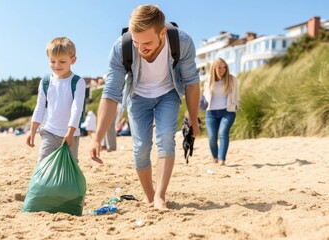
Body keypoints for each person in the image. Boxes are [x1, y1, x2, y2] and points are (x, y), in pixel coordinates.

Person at [89, 5, 201, 209]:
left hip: (168, 93)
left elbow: (192, 82)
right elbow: (111, 94)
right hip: (137, 97)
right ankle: (149, 196)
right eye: (136, 42)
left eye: (147, 42)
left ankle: (160, 196)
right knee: (141, 148)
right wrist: (97, 137)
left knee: (166, 138)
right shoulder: (120, 48)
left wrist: (192, 117)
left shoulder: (181, 42)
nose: (141, 49)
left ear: (162, 32)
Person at [26, 37, 86, 163]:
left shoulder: (78, 82)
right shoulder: (46, 81)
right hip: (49, 131)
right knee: (43, 164)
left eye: (62, 61)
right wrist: (32, 130)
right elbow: (40, 106)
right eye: (52, 61)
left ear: (73, 60)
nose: (56, 66)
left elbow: (77, 109)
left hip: (71, 134)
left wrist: (70, 132)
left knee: (69, 166)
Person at [202, 58, 240, 166]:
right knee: (212, 137)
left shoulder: (232, 79)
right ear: (214, 68)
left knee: (223, 133)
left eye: (224, 67)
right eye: (219, 67)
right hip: (211, 113)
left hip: (227, 111)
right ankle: (215, 157)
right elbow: (205, 96)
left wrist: (235, 105)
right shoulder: (208, 80)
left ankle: (222, 159)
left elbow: (236, 95)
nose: (222, 70)